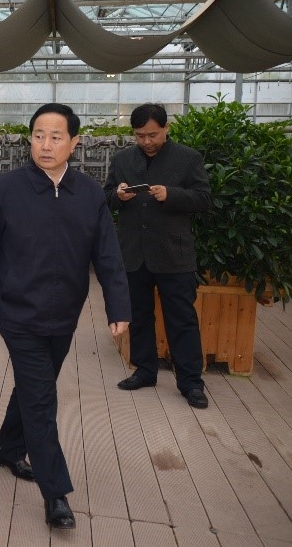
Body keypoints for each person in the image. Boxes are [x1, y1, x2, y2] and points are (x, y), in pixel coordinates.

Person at [0, 103, 130, 530]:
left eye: (56, 137)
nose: (45, 144)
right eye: (38, 135)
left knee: (33, 386)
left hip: (66, 314)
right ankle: (55, 493)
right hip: (18, 314)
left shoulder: (89, 194)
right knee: (42, 398)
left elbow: (108, 256)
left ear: (74, 143)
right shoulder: (7, 189)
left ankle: (7, 449)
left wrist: (118, 307)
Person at [105, 103, 212, 409]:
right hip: (133, 254)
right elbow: (106, 197)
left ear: (166, 128)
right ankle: (145, 371)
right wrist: (118, 195)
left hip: (173, 255)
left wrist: (172, 194)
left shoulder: (188, 158)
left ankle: (191, 382)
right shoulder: (122, 159)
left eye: (152, 135)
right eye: (140, 136)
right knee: (139, 316)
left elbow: (204, 199)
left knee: (182, 320)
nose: (146, 141)